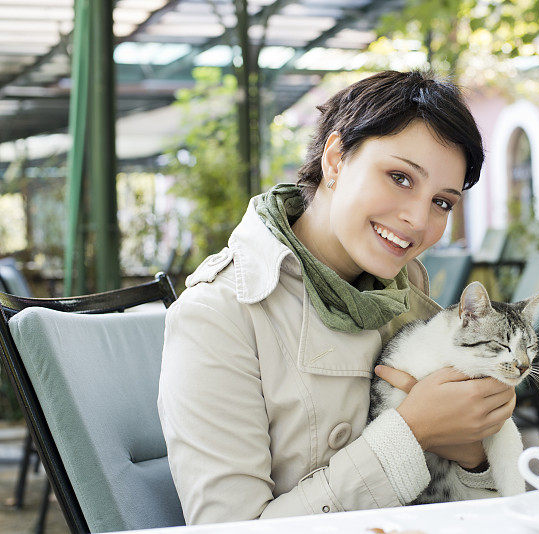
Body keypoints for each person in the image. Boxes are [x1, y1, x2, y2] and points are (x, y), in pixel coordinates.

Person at [158, 70, 517, 524]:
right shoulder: (219, 316)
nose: (417, 219)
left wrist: (470, 452)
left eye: (442, 201)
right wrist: (411, 432)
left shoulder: (411, 302)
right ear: (335, 158)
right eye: (400, 177)